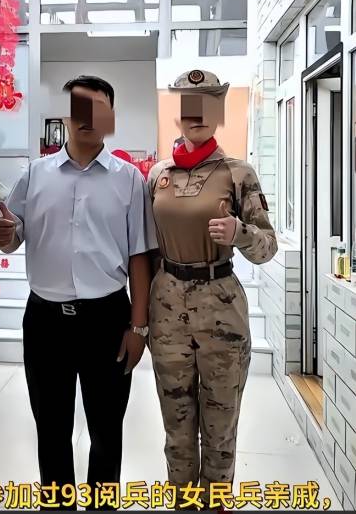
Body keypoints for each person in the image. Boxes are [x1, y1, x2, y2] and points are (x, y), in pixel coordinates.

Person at [0, 75, 157, 510]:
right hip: (45, 321)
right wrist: (3, 235)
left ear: (111, 118)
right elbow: (12, 234)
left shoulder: (129, 180)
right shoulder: (35, 175)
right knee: (51, 429)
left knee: (106, 430)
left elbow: (140, 257)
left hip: (107, 320)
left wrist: (139, 327)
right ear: (65, 116)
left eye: (98, 108)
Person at [147, 69, 277, 510]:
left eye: (207, 103)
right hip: (167, 310)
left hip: (220, 306)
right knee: (177, 429)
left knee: (220, 431)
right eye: (189, 104)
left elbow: (267, 247)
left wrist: (240, 232)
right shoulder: (158, 175)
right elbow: (145, 247)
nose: (197, 113)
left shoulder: (238, 173)